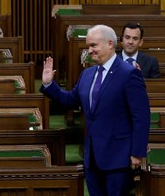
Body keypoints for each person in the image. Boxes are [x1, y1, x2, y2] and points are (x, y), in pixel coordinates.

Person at [40, 25, 150, 195]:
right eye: (88, 46)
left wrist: (137, 153)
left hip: (118, 158)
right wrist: (48, 84)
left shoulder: (129, 74)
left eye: (93, 45)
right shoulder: (87, 74)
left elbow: (141, 116)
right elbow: (70, 100)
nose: (89, 51)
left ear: (110, 44)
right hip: (92, 158)